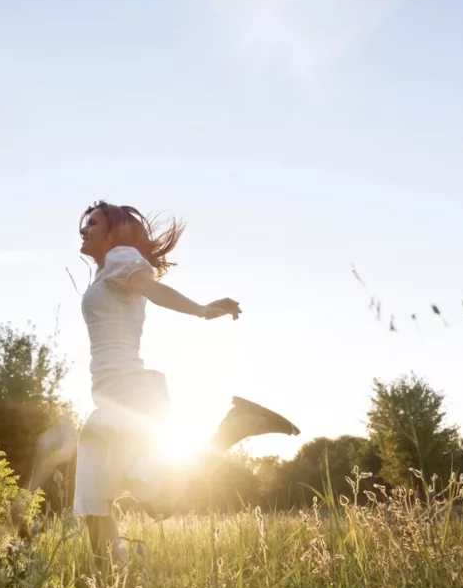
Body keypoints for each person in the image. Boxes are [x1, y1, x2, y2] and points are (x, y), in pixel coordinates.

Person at [73, 200, 298, 565]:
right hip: (109, 400)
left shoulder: (121, 258)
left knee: (158, 499)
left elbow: (153, 289)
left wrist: (201, 310)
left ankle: (232, 430)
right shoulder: (106, 273)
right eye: (84, 224)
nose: (84, 230)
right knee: (93, 504)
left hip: (129, 395)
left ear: (114, 232)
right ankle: (119, 582)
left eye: (93, 223)